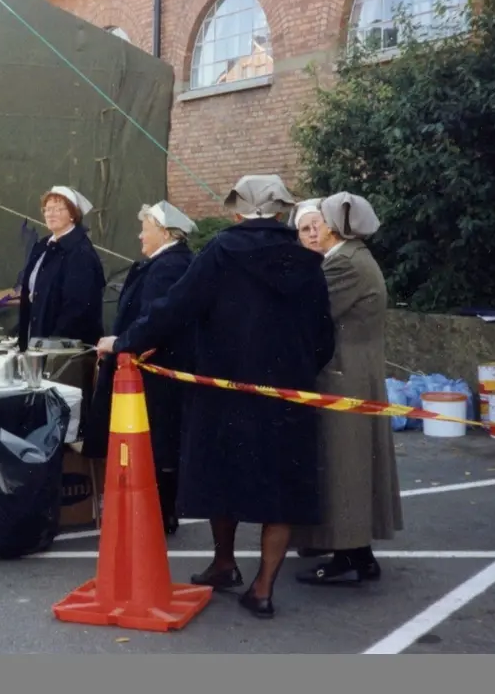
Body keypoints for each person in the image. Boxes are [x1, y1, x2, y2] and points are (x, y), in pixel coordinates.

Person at [96, 174, 335, 619]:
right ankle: (263, 587)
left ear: (238, 210)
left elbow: (175, 306)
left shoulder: (222, 252)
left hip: (223, 388)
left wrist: (126, 340)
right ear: (282, 211)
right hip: (287, 391)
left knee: (221, 475)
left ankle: (224, 563)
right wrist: (296, 370)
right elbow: (324, 337)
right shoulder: (307, 261)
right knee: (280, 489)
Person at [291, 192, 402, 584]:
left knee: (344, 469)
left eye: (320, 220)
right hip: (354, 372)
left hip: (344, 374)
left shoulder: (345, 265)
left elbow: (310, 311)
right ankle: (358, 554)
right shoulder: (353, 258)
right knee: (350, 467)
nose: (315, 227)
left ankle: (348, 555)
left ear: (335, 225)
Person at [85, 200, 195, 535]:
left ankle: (161, 514)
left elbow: (156, 319)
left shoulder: (168, 267)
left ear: (163, 232)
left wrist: (120, 342)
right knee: (155, 442)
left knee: (158, 442)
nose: (139, 235)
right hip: (148, 365)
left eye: (144, 229)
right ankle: (157, 512)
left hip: (156, 370)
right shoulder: (165, 263)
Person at [17, 186, 106, 351]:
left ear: (73, 214)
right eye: (48, 209)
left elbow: (77, 307)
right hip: (37, 341)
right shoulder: (43, 246)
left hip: (61, 348)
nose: (51, 214)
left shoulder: (80, 252)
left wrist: (54, 344)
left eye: (58, 209)